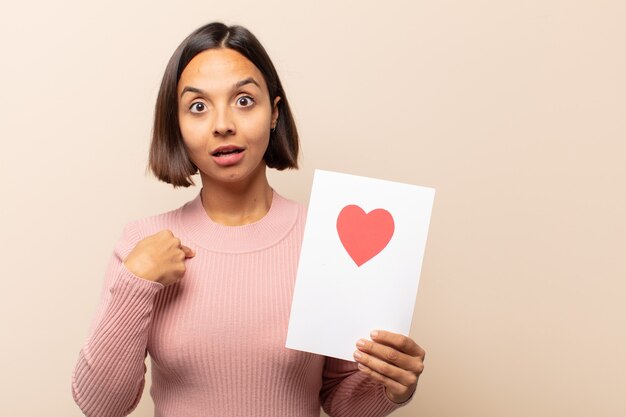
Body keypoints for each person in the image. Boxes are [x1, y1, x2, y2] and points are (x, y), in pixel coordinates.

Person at [71, 22, 425, 417]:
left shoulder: (328, 239)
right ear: (177, 125)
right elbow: (102, 406)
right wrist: (136, 282)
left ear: (274, 113)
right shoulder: (143, 242)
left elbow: (343, 399)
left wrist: (393, 386)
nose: (223, 124)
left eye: (243, 100)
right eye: (198, 106)